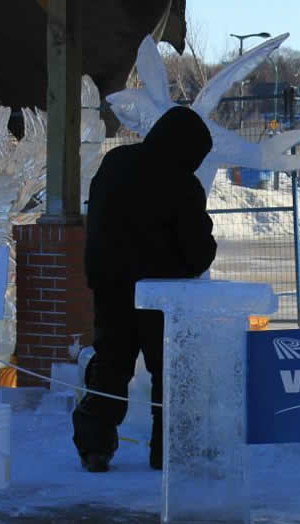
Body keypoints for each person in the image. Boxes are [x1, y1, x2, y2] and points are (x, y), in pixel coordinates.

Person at [74, 105, 217, 473]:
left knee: (110, 366)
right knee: (168, 372)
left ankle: (94, 445)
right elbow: (197, 251)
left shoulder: (116, 162)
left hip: (110, 287)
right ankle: (167, 451)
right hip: (162, 294)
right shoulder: (182, 184)